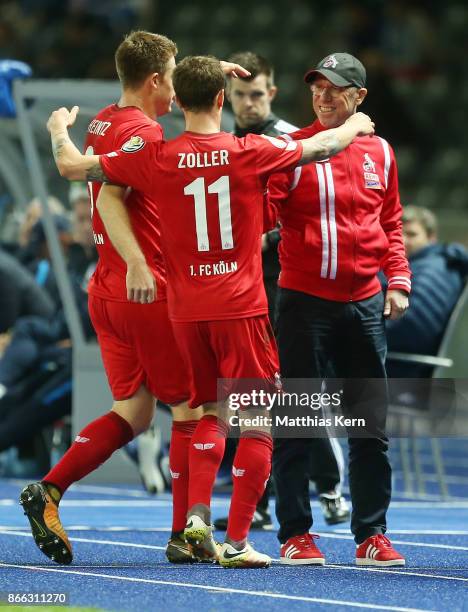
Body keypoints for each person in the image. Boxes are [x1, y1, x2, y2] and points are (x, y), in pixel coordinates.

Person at [44, 55, 374, 567]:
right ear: (223, 99)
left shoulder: (159, 155)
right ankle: (237, 542)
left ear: (178, 99)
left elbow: (75, 169)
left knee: (205, 417)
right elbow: (322, 145)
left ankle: (196, 520)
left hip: (183, 310)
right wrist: (355, 123)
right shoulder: (250, 150)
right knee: (259, 419)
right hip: (238, 306)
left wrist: (59, 129)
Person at [19, 31, 249, 567]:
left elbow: (85, 169)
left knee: (136, 410)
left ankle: (49, 491)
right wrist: (142, 263)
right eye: (171, 77)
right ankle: (182, 534)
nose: (173, 91)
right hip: (144, 289)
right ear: (154, 81)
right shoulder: (144, 134)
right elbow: (111, 196)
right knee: (195, 409)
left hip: (106, 289)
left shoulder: (104, 119)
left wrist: (61, 131)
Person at [268, 52, 410, 566]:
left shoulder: (382, 153)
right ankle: (295, 533)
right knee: (296, 422)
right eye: (316, 88)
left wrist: (398, 281)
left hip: (365, 305)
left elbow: (390, 222)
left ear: (359, 97)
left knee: (370, 428)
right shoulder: (295, 149)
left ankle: (371, 534)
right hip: (304, 303)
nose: (323, 96)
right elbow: (263, 211)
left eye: (334, 88)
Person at [214, 51, 349, 533]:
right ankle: (263, 497)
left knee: (294, 391)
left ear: (271, 92)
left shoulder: (296, 140)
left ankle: (330, 486)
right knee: (248, 392)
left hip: (284, 280)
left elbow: (311, 209)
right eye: (240, 95)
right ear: (228, 97)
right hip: (238, 282)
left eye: (256, 94)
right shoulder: (221, 140)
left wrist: (261, 235)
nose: (248, 102)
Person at [386, 205, 468, 378]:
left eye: (411, 234)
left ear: (431, 238)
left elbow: (411, 325)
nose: (401, 240)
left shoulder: (436, 268)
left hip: (404, 372)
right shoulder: (410, 265)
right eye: (396, 233)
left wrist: (357, 332)